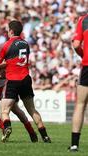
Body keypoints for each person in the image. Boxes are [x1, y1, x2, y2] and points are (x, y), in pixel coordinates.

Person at [0, 20, 51, 143]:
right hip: (26, 79)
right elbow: (17, 61)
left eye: (7, 29)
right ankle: (45, 136)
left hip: (13, 80)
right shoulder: (26, 44)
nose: (6, 32)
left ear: (11, 31)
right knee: (32, 110)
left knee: (4, 109)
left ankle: (7, 127)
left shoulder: (6, 45)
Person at [68, 13, 88, 152]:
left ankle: (75, 144)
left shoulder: (83, 19)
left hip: (87, 66)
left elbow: (75, 45)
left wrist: (83, 55)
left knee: (80, 104)